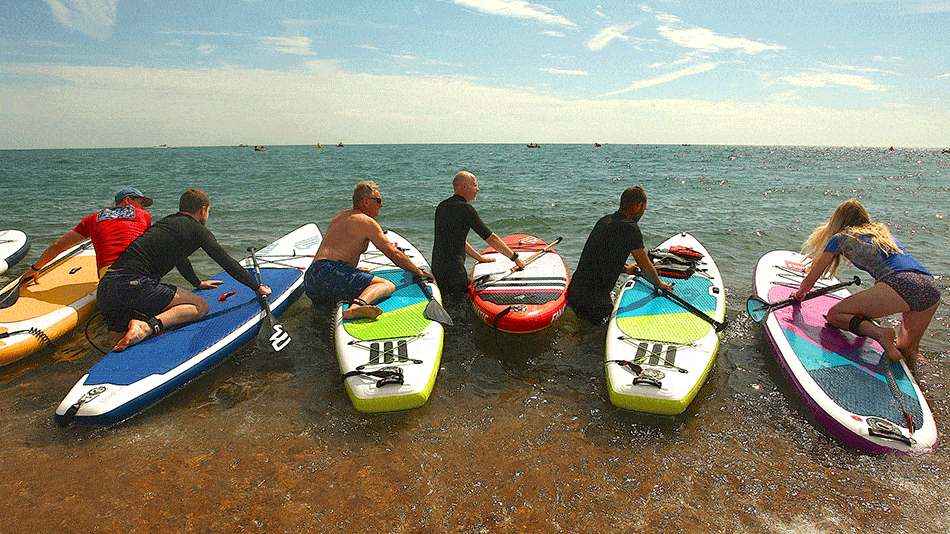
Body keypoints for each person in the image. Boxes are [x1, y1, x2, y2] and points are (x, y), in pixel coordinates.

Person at [97, 189, 271, 351]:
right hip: (135, 286)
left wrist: (196, 282)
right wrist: (257, 287)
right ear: (203, 210)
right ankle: (147, 326)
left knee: (123, 343)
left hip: (106, 289)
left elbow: (179, 258)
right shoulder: (198, 230)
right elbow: (226, 262)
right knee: (200, 306)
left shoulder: (166, 223)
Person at [794, 199, 940, 366]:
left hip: (901, 282)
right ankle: (924, 377)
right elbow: (887, 274)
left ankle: (880, 334)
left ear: (838, 220)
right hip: (930, 287)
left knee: (835, 315)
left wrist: (800, 293)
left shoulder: (841, 237)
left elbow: (814, 274)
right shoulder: (883, 235)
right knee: (908, 351)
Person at [305, 181, 434, 320]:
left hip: (312, 277)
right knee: (386, 285)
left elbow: (335, 252)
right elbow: (394, 254)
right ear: (366, 201)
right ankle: (357, 306)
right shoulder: (366, 221)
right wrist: (417, 271)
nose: (381, 205)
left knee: (323, 316)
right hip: (330, 273)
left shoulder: (341, 216)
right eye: (378, 200)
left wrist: (351, 271)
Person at [567, 186, 672, 325]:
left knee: (581, 330)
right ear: (638, 206)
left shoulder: (604, 221)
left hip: (575, 291)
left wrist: (626, 269)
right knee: (598, 337)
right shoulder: (630, 228)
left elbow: (599, 257)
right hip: (594, 301)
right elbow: (644, 265)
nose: (643, 213)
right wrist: (659, 284)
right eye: (644, 209)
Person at [21, 187, 153, 283]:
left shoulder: (92, 219)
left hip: (107, 278)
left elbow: (58, 245)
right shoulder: (142, 214)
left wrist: (35, 268)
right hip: (136, 273)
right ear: (128, 200)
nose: (144, 208)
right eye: (141, 203)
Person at [431, 171, 526, 299]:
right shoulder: (465, 209)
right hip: (455, 274)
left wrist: (479, 258)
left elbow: (457, 240)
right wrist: (515, 258)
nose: (478, 189)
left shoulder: (442, 206)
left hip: (437, 269)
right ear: (464, 186)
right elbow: (491, 238)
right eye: (475, 185)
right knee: (461, 309)